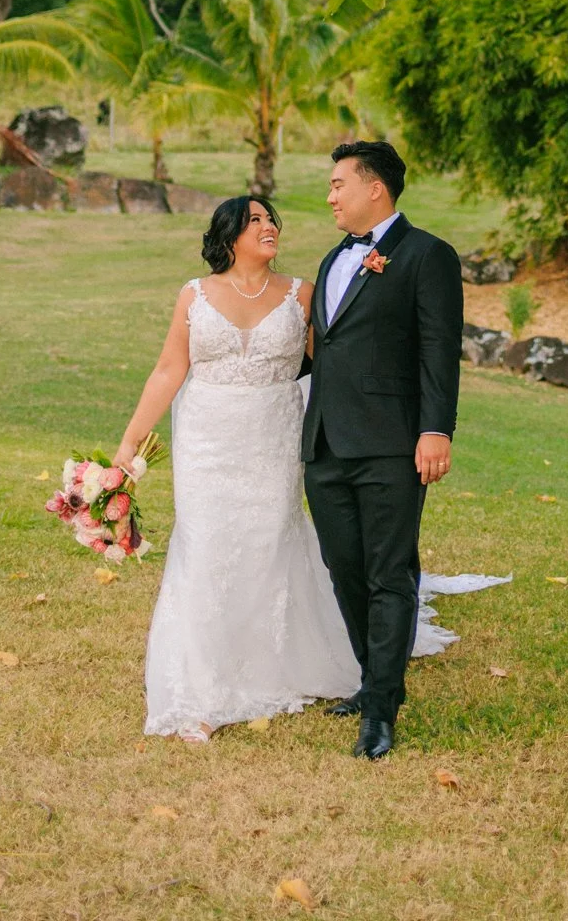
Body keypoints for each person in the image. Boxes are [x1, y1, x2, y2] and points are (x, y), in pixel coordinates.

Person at [115, 194, 358, 743]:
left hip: (272, 437)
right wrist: (128, 445)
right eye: (256, 220)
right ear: (228, 235)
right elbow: (167, 370)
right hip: (206, 437)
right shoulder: (194, 296)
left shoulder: (302, 295)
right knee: (205, 544)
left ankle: (271, 663)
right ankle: (201, 686)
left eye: (272, 219)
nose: (269, 226)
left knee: (269, 539)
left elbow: (336, 366)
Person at [303, 139, 464, 760]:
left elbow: (438, 350)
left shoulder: (428, 255)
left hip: (393, 444)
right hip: (325, 443)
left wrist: (436, 429)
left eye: (339, 183)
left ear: (376, 188)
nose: (331, 195)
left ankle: (380, 707)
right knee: (344, 570)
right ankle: (374, 681)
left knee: (388, 572)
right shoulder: (331, 259)